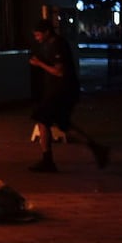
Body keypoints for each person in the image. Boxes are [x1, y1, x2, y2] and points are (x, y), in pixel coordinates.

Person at [29, 18, 109, 172]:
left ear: (47, 32)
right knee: (63, 124)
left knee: (41, 117)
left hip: (62, 91)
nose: (37, 38)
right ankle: (96, 148)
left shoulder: (58, 44)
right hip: (61, 91)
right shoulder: (49, 44)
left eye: (38, 35)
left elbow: (59, 71)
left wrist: (40, 64)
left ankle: (48, 159)